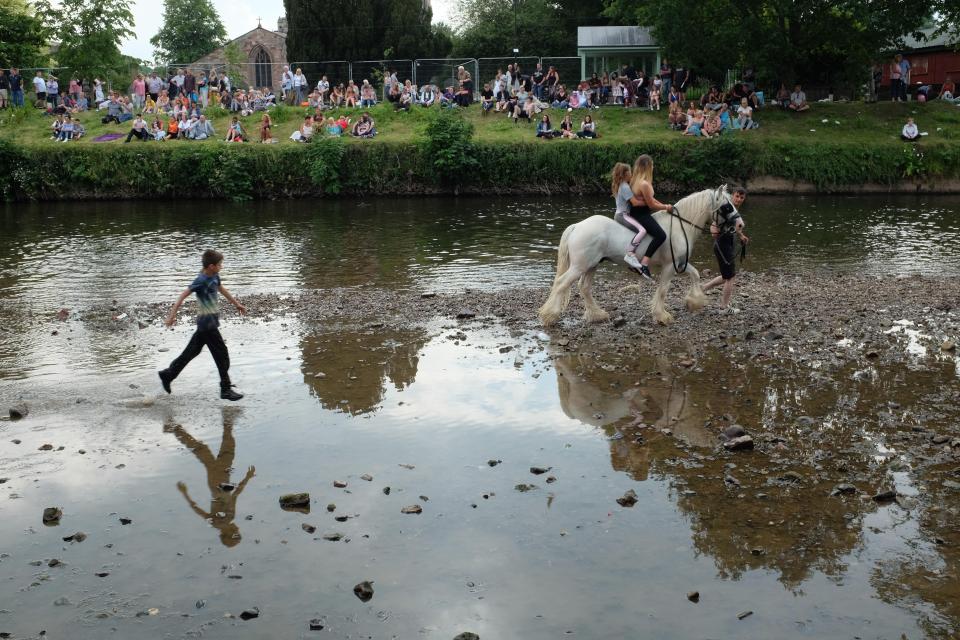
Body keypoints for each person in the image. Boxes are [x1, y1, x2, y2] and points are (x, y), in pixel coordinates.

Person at [159, 249, 245, 401]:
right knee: (222, 356)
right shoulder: (201, 280)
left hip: (208, 325)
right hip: (207, 326)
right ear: (211, 266)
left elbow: (221, 289)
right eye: (219, 265)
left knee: (191, 352)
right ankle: (225, 389)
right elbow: (182, 296)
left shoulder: (215, 276)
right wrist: (171, 316)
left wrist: (237, 304)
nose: (221, 267)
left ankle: (168, 374)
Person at [622, 154, 673, 280]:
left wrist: (663, 204)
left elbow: (651, 198)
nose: (653, 167)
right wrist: (666, 208)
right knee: (661, 235)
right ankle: (644, 264)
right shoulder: (644, 184)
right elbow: (650, 204)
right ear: (648, 167)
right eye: (652, 165)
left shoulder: (634, 180)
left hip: (637, 212)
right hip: (641, 214)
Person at [702, 187, 749, 309]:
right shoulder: (725, 207)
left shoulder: (732, 210)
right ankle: (724, 306)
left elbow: (734, 226)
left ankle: (703, 288)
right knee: (731, 277)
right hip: (722, 244)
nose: (738, 199)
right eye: (737, 196)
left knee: (725, 276)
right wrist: (714, 231)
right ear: (732, 196)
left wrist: (741, 235)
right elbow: (714, 224)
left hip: (727, 243)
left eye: (741, 197)